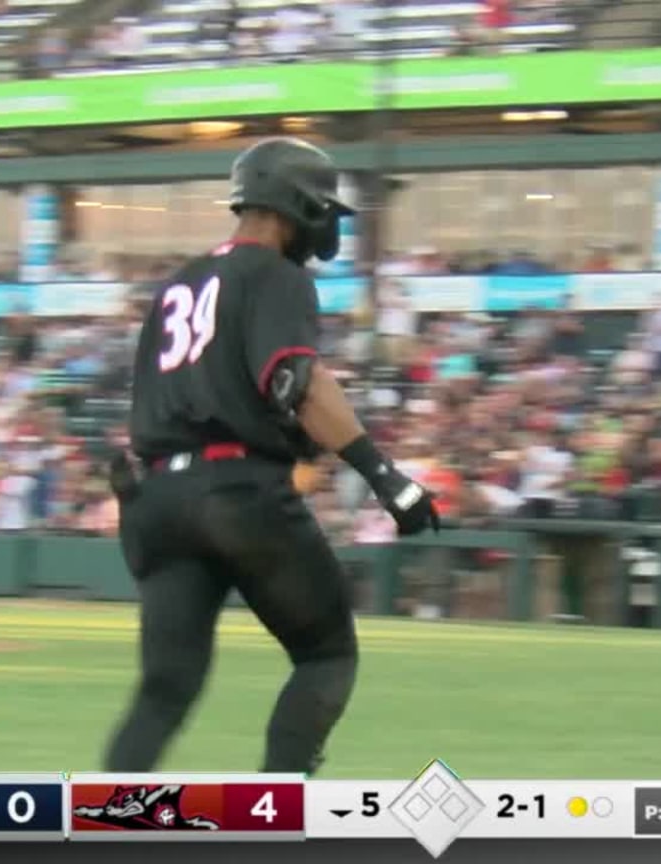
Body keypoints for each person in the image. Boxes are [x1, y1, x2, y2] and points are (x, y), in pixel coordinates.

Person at [103, 137, 441, 774]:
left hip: (156, 500)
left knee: (164, 691)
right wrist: (384, 476)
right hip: (236, 493)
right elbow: (295, 382)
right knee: (326, 656)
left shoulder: (178, 284)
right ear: (296, 205)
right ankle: (271, 822)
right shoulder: (276, 276)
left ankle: (102, 832)